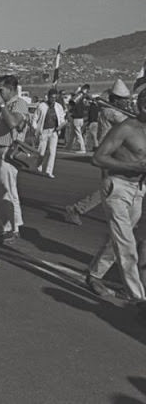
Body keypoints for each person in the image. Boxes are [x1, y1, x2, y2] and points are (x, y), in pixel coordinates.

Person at [85, 88, 146, 302]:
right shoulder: (126, 129)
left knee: (119, 238)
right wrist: (132, 166)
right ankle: (139, 298)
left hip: (138, 189)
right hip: (117, 187)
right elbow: (98, 158)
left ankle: (94, 274)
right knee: (127, 244)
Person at [64, 79, 132, 225]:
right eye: (123, 100)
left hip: (113, 153)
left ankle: (125, 216)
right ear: (116, 100)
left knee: (115, 187)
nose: (126, 103)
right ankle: (76, 209)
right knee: (111, 187)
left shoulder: (112, 111)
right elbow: (129, 124)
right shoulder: (111, 112)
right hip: (110, 155)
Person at [0, 75, 30, 244]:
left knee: (9, 191)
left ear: (11, 89)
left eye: (1, 90)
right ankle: (6, 226)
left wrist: (0, 105)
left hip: (8, 152)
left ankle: (13, 228)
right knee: (3, 191)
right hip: (0, 151)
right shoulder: (6, 106)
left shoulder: (19, 104)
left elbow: (14, 122)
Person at [32, 88, 66, 178]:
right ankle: (38, 167)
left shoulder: (59, 107)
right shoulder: (41, 106)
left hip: (54, 131)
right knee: (41, 152)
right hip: (43, 131)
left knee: (52, 152)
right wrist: (36, 129)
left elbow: (62, 119)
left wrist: (61, 125)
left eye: (55, 98)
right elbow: (35, 119)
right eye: (52, 98)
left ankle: (49, 171)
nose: (53, 100)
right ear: (48, 97)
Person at [66, 83, 90, 153]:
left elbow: (72, 102)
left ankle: (82, 149)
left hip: (77, 118)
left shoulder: (79, 98)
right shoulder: (83, 98)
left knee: (78, 134)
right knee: (73, 133)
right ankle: (68, 147)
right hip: (79, 118)